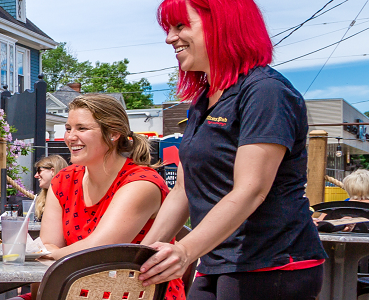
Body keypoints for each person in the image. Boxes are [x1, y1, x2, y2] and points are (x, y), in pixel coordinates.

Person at [139, 0, 327, 298]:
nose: (169, 38)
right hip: (217, 261)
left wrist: (185, 250)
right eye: (168, 28)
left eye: (180, 26)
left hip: (272, 265)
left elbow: (251, 189)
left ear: (221, 24)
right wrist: (139, 255)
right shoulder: (205, 100)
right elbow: (184, 190)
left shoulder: (266, 91)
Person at [29, 94, 185, 300]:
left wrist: (51, 253)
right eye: (68, 128)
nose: (70, 137)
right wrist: (48, 253)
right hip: (71, 292)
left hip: (135, 294)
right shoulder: (64, 179)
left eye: (81, 128)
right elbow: (46, 249)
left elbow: (98, 252)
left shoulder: (140, 183)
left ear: (113, 133)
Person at [11, 156, 69, 222]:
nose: (36, 175)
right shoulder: (42, 199)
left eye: (39, 171)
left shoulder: (67, 198)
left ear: (52, 171)